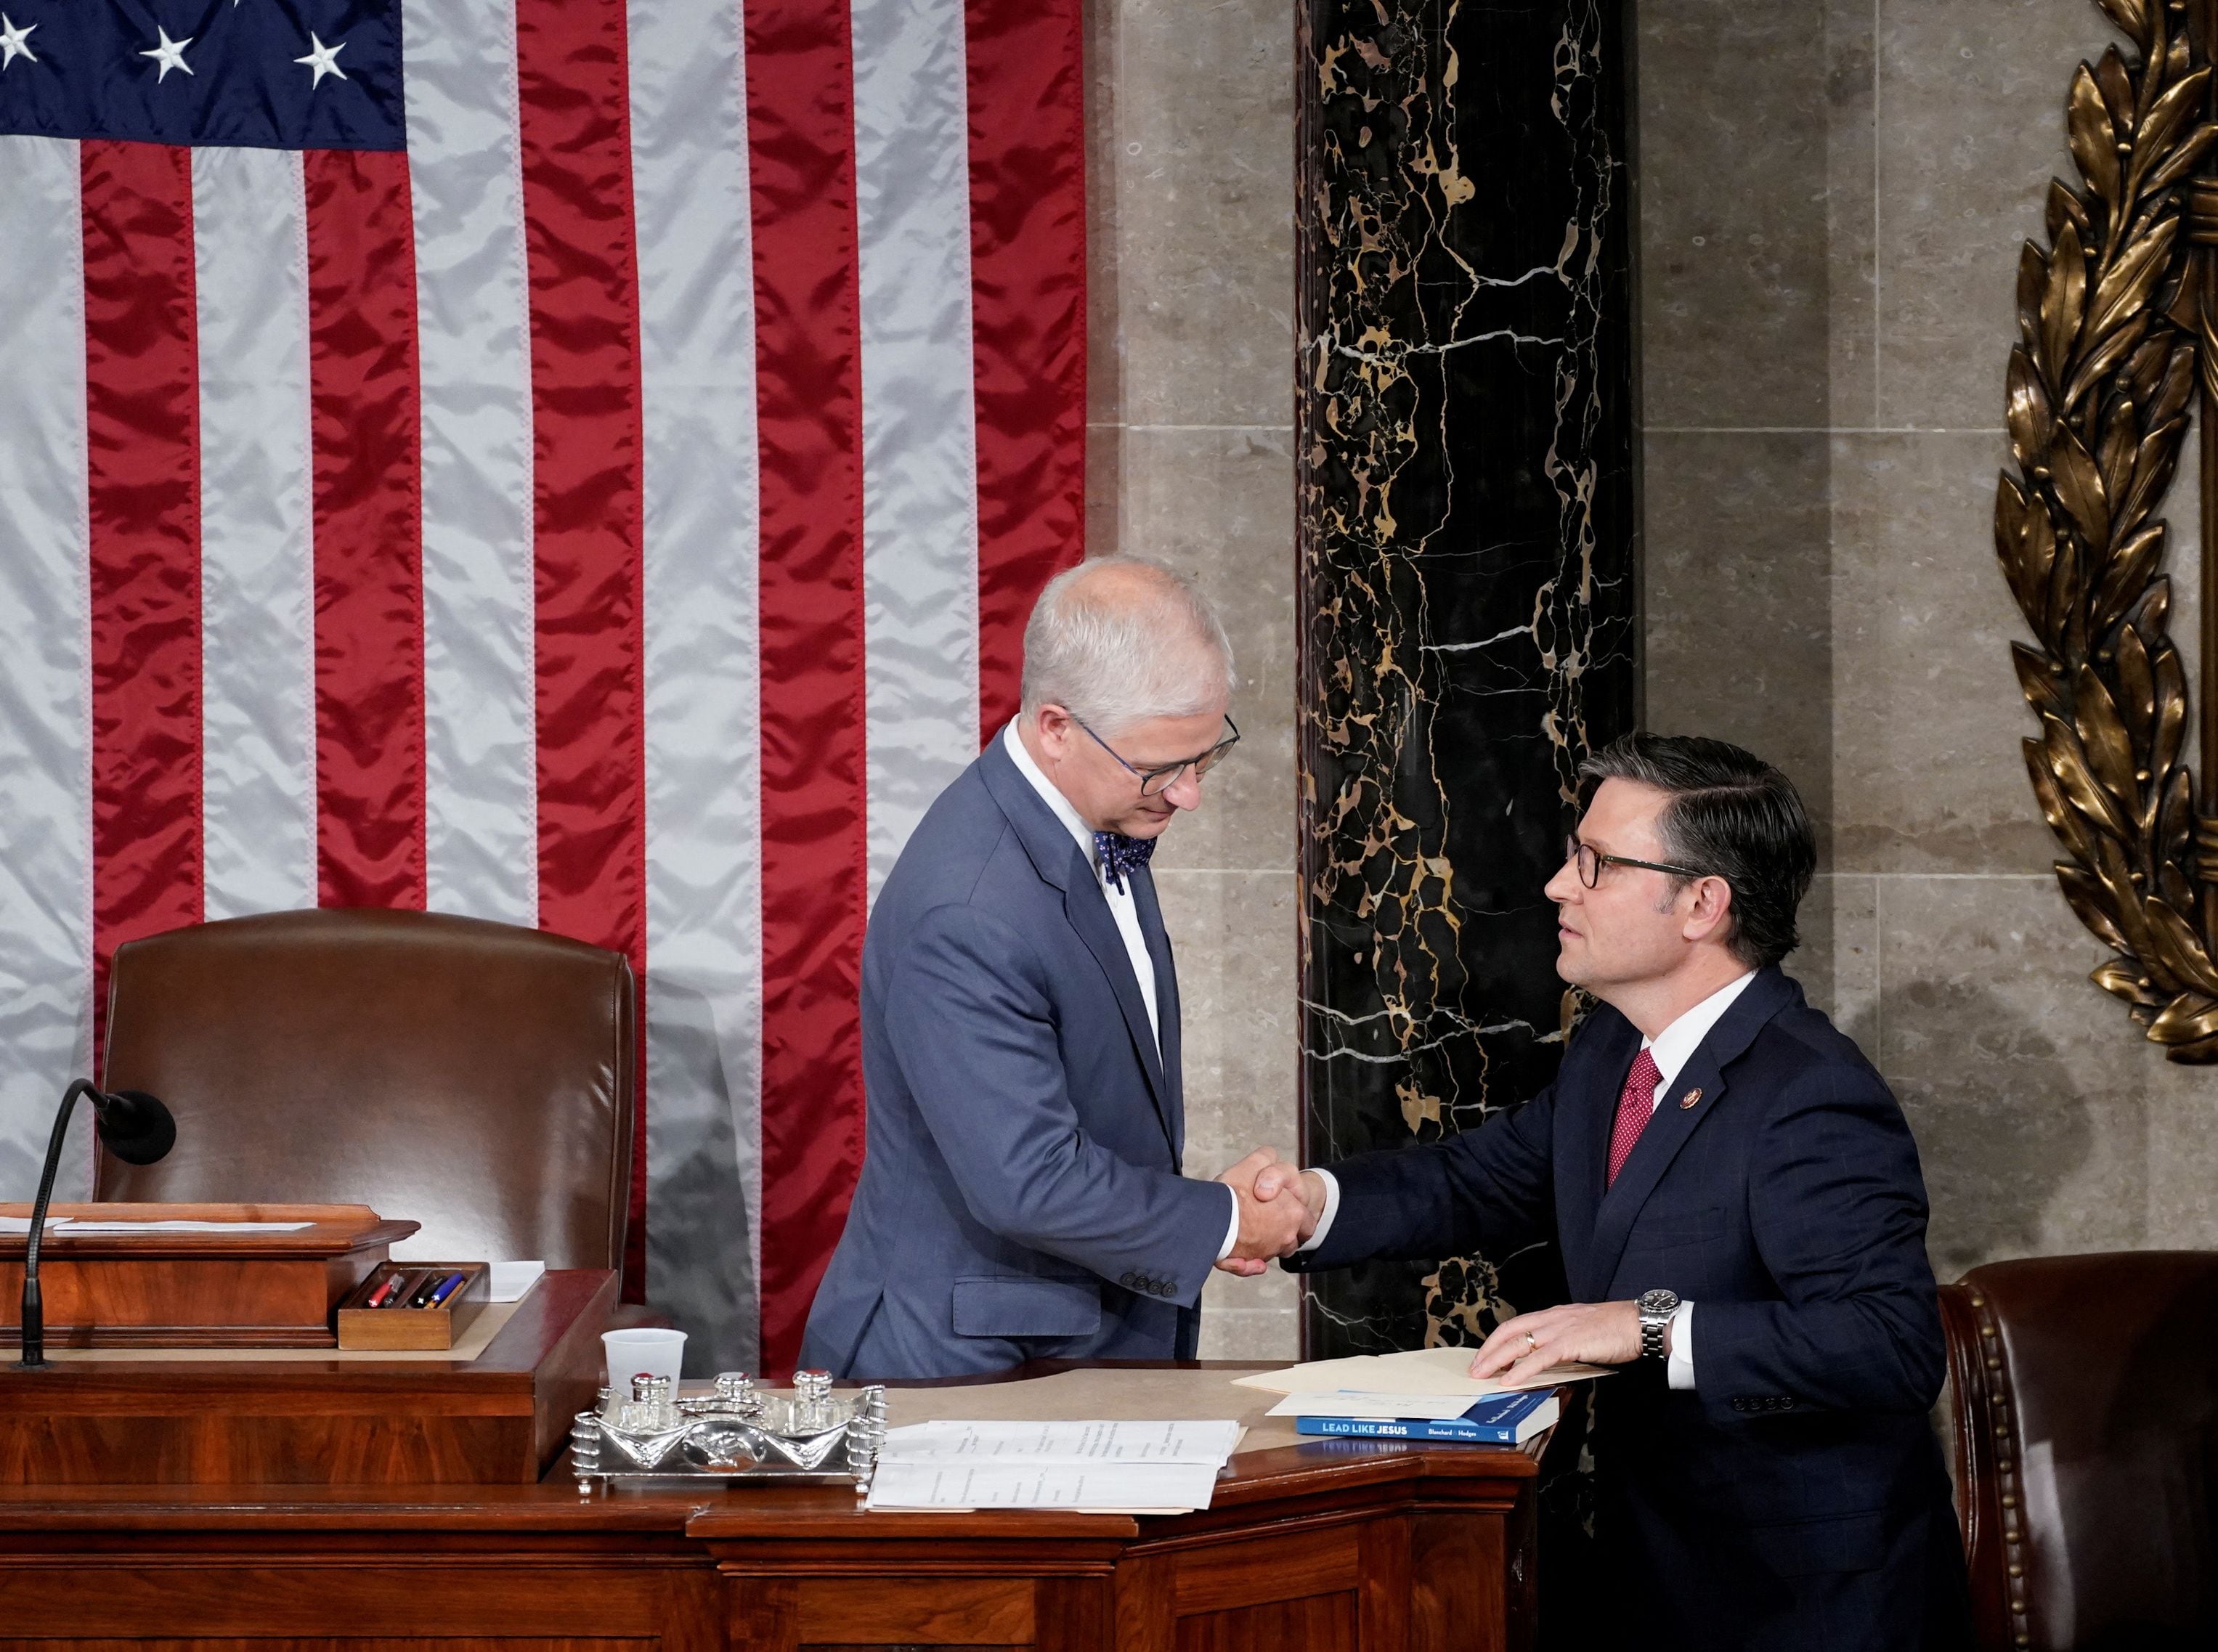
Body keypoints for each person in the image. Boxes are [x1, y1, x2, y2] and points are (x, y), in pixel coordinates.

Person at [1224, 733, 1971, 1651]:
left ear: (1702, 903)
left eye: (1596, 863)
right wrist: (1307, 1207)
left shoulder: (1810, 1091)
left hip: (1807, 1601)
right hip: (1662, 1574)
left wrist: (1645, 1325)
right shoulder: (1614, 1050)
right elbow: (1479, 1178)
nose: (1557, 885)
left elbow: (1889, 1342)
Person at [800, 557, 1303, 1380]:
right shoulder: (967, 910)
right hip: (971, 1371)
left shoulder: (1099, 813)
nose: (1188, 796)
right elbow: (1027, 1178)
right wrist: (1219, 1219)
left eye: (1204, 758)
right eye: (1160, 768)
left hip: (1076, 1342)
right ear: (1057, 727)